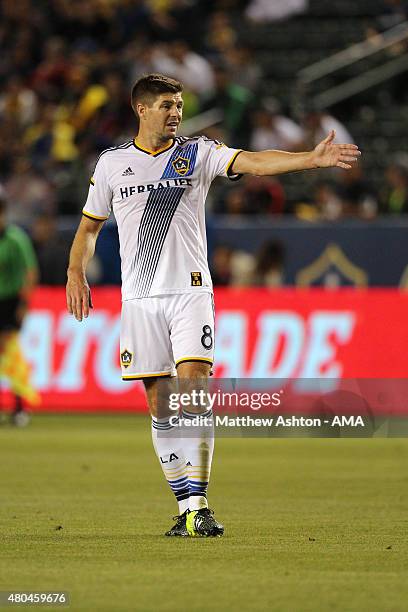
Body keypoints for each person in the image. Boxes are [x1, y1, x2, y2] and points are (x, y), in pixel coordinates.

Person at [66, 73, 360, 537]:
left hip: (190, 292)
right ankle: (185, 505)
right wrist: (74, 272)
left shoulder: (197, 153)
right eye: (166, 104)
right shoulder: (111, 165)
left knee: (194, 389)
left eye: (180, 104)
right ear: (140, 109)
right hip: (139, 300)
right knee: (160, 405)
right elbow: (88, 230)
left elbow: (256, 161)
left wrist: (310, 158)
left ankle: (199, 503)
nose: (176, 112)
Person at [0, 189, 40, 426]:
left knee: (10, 352)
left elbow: (31, 272)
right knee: (9, 355)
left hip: (10, 302)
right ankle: (18, 407)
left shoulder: (15, 238)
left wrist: (23, 305)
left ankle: (19, 407)